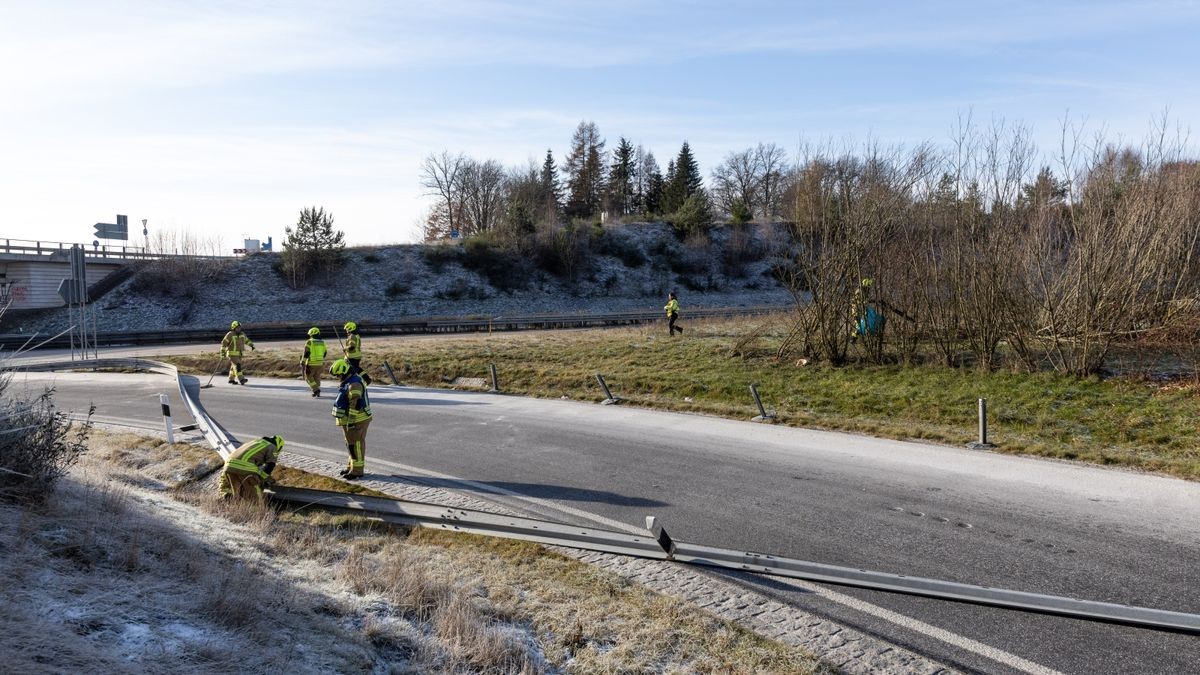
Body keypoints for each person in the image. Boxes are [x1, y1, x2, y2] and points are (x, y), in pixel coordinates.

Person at [331, 358, 372, 479]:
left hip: (357, 420)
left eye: (338, 375)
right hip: (352, 420)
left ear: (344, 371)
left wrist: (351, 421)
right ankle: (351, 467)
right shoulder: (350, 380)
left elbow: (356, 404)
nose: (338, 377)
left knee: (356, 445)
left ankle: (357, 471)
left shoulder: (354, 384)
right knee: (351, 444)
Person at [218, 435, 284, 502]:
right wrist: (262, 479)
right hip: (245, 469)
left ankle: (230, 504)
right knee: (256, 497)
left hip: (228, 466)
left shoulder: (254, 442)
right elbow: (270, 465)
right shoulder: (272, 447)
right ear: (279, 446)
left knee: (237, 493)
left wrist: (224, 490)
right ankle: (256, 509)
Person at [220, 321, 256, 385]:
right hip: (232, 354)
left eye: (240, 327)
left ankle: (231, 379)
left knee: (233, 367)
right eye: (237, 328)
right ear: (234, 328)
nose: (239, 329)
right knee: (237, 366)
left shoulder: (242, 334)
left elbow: (246, 340)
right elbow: (224, 344)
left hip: (239, 354)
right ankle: (241, 379)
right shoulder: (230, 334)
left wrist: (251, 345)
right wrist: (222, 353)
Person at [342, 321, 373, 385]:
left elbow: (352, 347)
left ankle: (346, 382)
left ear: (350, 328)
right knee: (357, 369)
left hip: (352, 356)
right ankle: (367, 379)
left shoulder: (352, 336)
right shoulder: (357, 335)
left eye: (347, 329)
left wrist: (345, 349)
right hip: (357, 355)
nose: (346, 331)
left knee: (351, 370)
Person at [301, 327, 327, 397]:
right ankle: (317, 392)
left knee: (308, 377)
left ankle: (315, 390)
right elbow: (325, 352)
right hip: (320, 364)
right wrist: (320, 359)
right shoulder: (322, 342)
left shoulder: (309, 341)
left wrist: (303, 361)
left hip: (311, 364)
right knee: (317, 377)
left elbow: (306, 353)